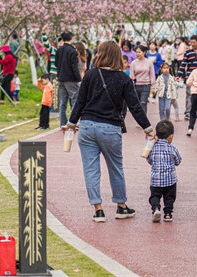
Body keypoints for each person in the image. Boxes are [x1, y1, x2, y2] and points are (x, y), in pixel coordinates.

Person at [65, 41, 154, 222]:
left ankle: (98, 210)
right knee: (115, 168)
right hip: (110, 129)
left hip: (87, 127)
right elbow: (135, 107)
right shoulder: (124, 79)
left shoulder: (90, 75)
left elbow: (79, 102)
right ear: (117, 56)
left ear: (100, 54)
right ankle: (121, 207)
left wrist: (71, 124)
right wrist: (148, 128)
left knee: (91, 170)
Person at [147, 120, 181, 223]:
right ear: (171, 136)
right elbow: (178, 161)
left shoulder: (153, 148)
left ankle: (156, 209)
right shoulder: (172, 149)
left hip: (156, 180)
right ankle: (167, 214)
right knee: (169, 197)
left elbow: (149, 160)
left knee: (154, 196)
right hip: (170, 180)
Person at [177, 35, 197, 120]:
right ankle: (188, 112)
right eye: (191, 42)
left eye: (194, 42)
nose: (192, 44)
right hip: (190, 77)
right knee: (189, 95)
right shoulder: (187, 52)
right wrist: (178, 76)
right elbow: (183, 65)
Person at [56, 32, 82, 128]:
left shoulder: (59, 50)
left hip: (61, 78)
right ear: (71, 38)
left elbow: (56, 64)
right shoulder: (72, 51)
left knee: (63, 102)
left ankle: (62, 123)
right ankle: (72, 122)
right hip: (70, 79)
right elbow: (74, 66)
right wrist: (78, 79)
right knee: (75, 100)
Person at [129, 45, 156, 116]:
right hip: (136, 85)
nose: (137, 54)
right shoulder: (133, 63)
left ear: (144, 52)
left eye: (139, 52)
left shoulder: (149, 62)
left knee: (143, 102)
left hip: (146, 85)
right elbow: (131, 74)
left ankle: (144, 121)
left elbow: (152, 74)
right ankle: (139, 119)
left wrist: (153, 86)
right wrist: (132, 77)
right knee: (138, 104)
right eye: (136, 52)